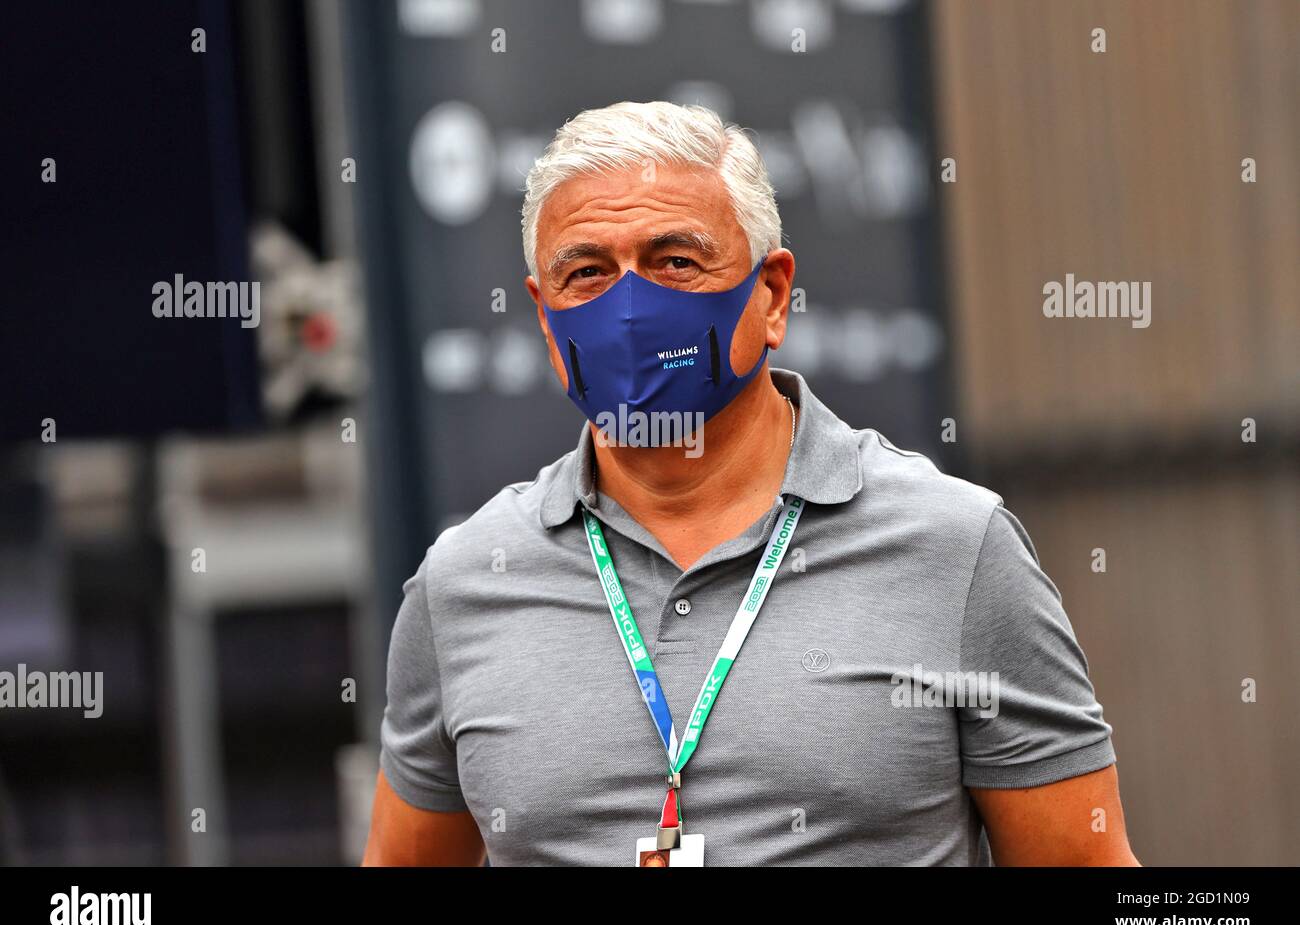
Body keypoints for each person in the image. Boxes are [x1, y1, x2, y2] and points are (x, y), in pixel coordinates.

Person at [363, 101, 1139, 866]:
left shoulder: (954, 549)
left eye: (676, 261)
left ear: (772, 295)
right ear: (543, 314)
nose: (631, 311)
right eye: (587, 273)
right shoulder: (463, 583)